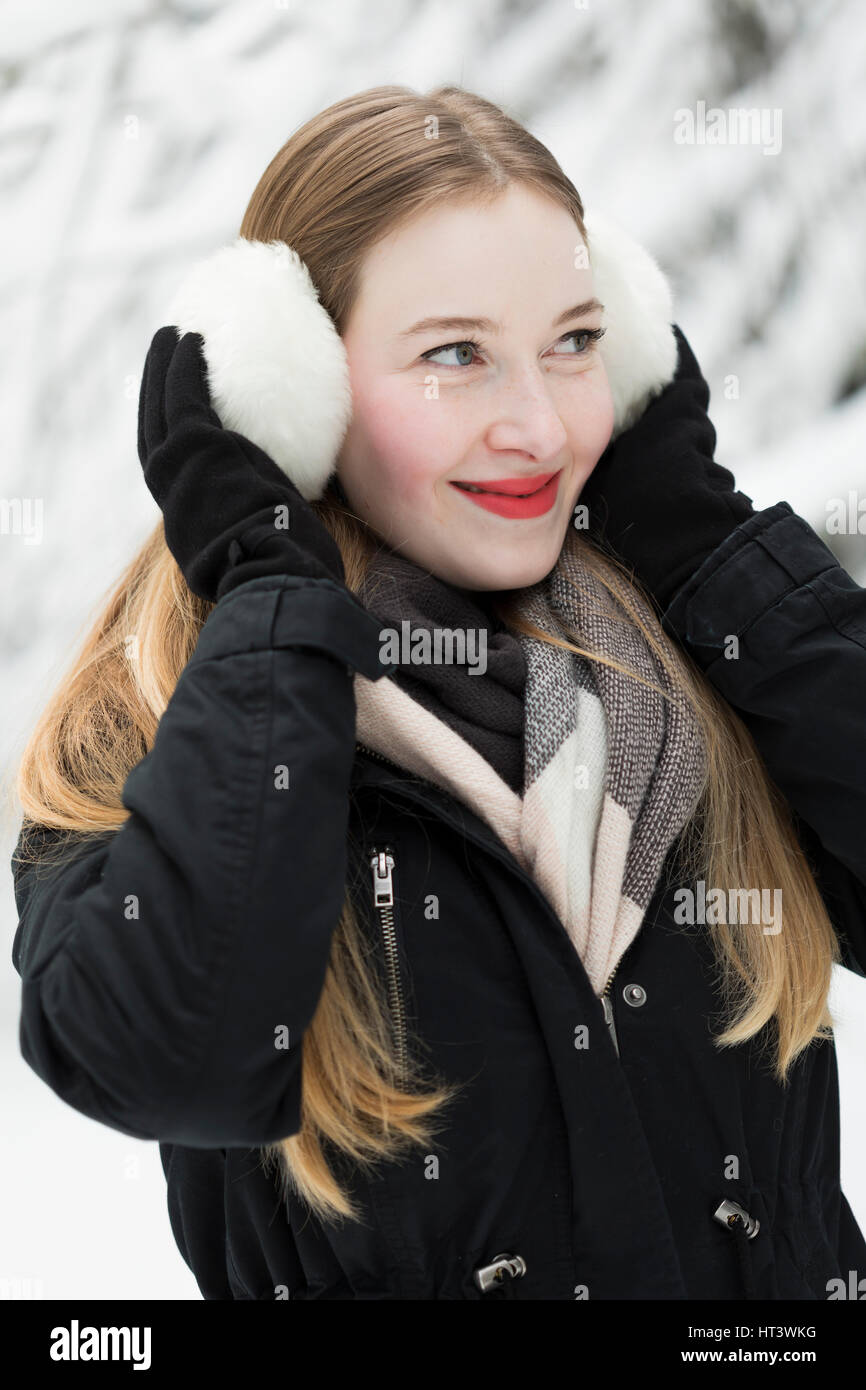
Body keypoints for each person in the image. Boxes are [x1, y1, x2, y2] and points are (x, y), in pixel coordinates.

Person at [9, 84, 866, 1301]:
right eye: (455, 354)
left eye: (574, 342)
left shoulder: (706, 670)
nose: (538, 424)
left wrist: (699, 544)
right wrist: (268, 593)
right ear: (286, 390)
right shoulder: (151, 736)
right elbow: (169, 1057)